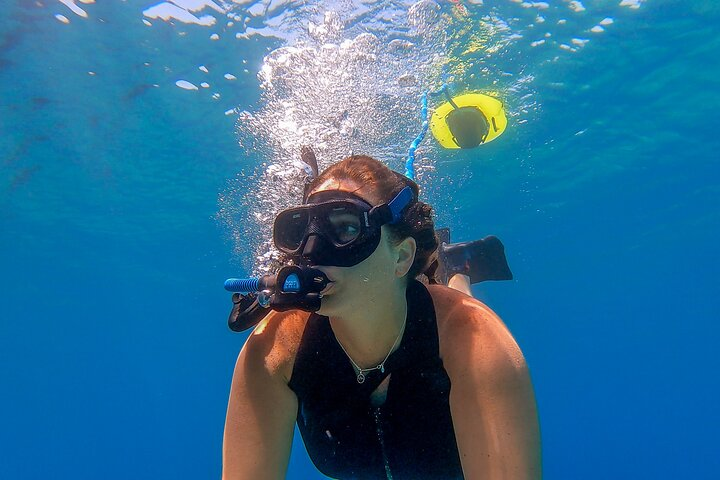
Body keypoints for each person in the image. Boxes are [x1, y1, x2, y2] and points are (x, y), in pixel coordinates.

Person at [222, 154, 541, 479]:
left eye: (346, 227)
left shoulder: (473, 338)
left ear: (401, 257)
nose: (312, 254)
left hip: (435, 306)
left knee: (452, 294)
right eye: (302, 230)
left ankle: (452, 268)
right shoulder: (276, 350)